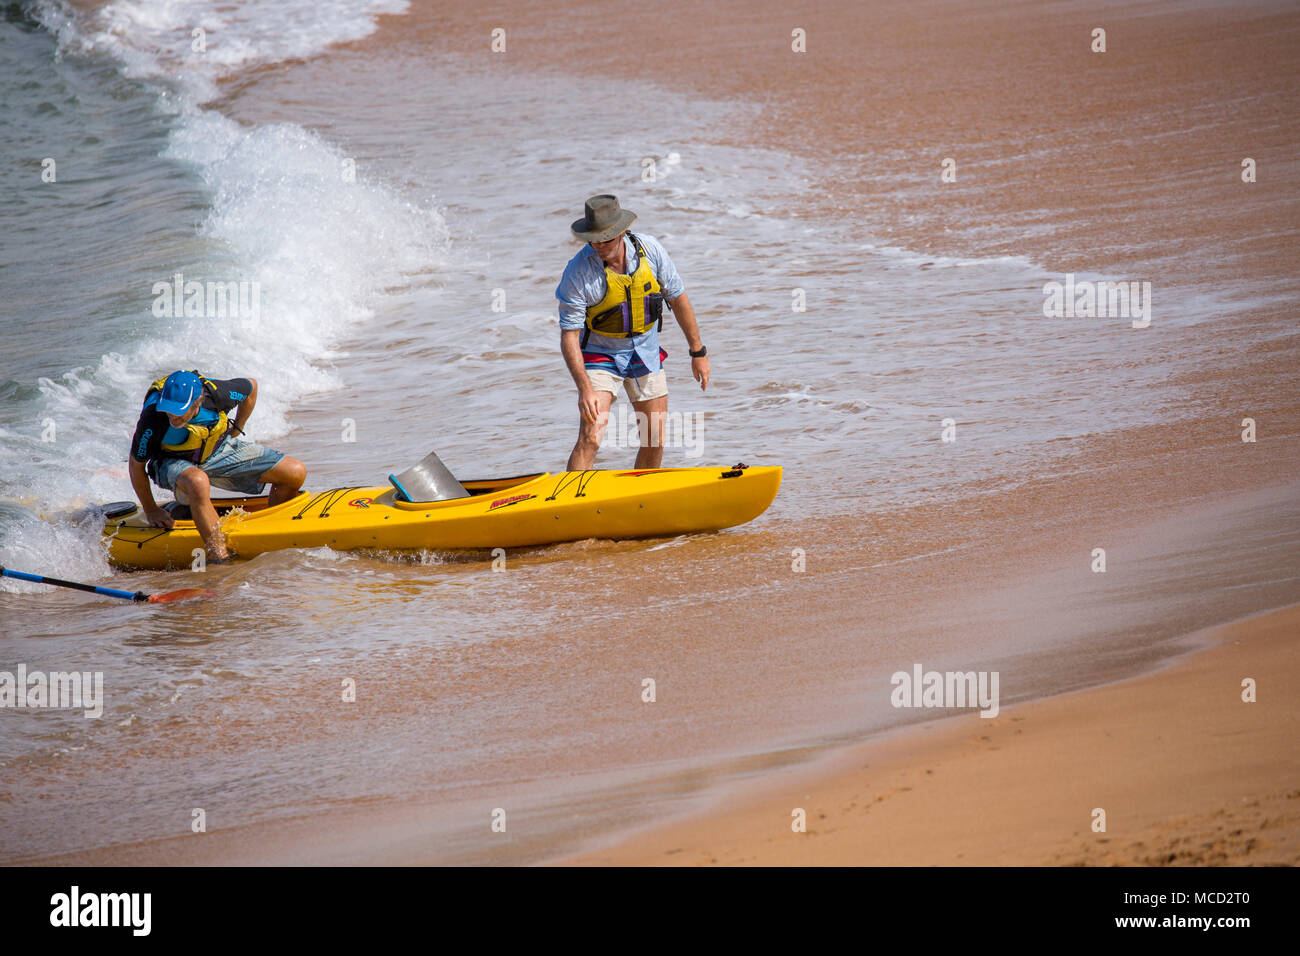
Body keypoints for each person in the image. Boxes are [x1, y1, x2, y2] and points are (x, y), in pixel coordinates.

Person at [556, 194, 709, 470]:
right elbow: (569, 337)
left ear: (622, 232)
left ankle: (640, 501)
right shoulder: (577, 273)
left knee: (654, 438)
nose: (599, 246)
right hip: (600, 355)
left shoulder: (651, 250)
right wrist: (585, 388)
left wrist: (697, 352)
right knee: (592, 435)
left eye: (606, 239)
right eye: (594, 239)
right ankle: (570, 504)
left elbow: (678, 298)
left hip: (645, 350)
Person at [127, 370, 306, 561]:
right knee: (197, 481)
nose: (172, 415)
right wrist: (151, 509)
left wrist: (238, 426)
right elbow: (136, 465)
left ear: (198, 402)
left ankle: (272, 530)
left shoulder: (218, 394)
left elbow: (251, 387)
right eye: (169, 408)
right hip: (170, 463)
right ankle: (219, 555)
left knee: (294, 472)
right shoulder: (153, 417)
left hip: (216, 452)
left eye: (179, 410)